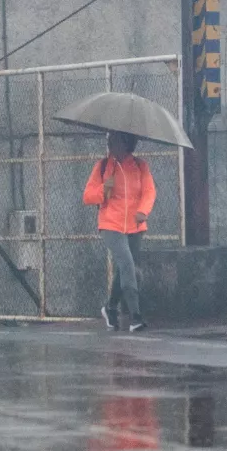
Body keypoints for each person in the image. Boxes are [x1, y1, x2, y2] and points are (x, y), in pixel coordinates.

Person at [83, 131, 156, 332]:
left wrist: (143, 211)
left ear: (126, 143)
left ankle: (110, 307)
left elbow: (149, 192)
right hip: (111, 224)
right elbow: (88, 196)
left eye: (114, 141)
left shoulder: (140, 166)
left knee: (125, 269)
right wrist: (103, 190)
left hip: (135, 225)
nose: (110, 145)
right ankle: (135, 316)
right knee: (127, 263)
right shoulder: (104, 166)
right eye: (109, 141)